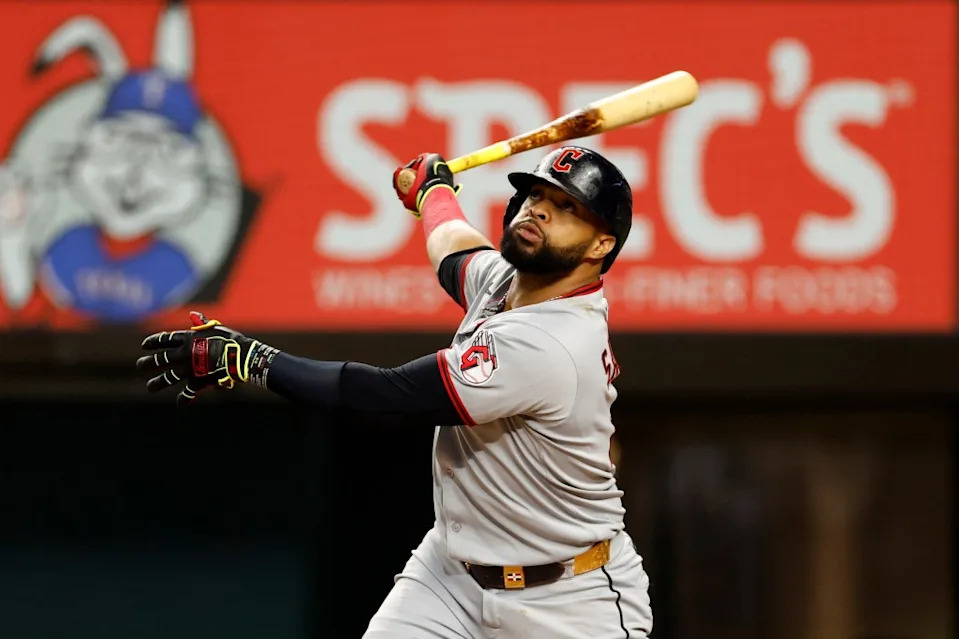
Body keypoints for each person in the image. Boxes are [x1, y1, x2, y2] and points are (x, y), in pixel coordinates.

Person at [136, 145, 653, 638]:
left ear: (601, 245)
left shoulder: (554, 342)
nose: (538, 210)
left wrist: (250, 361)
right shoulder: (508, 283)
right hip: (451, 577)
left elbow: (385, 396)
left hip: (568, 600)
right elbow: (454, 252)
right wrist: (432, 193)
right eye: (536, 194)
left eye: (566, 208)